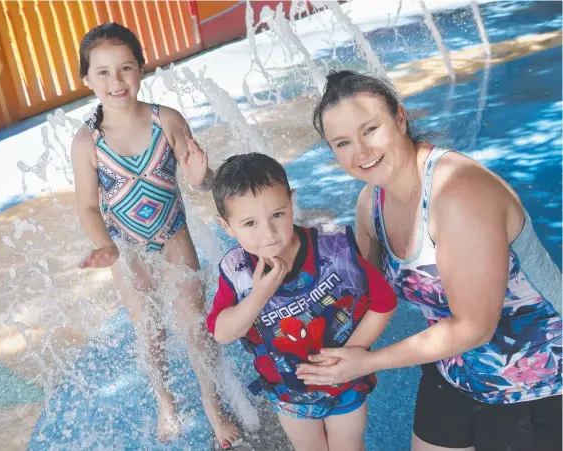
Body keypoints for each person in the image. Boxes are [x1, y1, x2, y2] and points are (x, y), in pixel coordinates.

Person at [296, 70, 562, 451]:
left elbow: (474, 327)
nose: (361, 152)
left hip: (538, 381)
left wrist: (366, 362)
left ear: (400, 118)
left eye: (370, 130)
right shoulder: (372, 202)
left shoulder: (457, 192)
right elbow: (361, 297)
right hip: (454, 368)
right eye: (342, 143)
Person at [71, 22, 238, 448]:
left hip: (172, 236)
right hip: (125, 248)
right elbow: (89, 206)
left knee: (195, 328)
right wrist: (104, 244)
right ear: (86, 78)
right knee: (149, 330)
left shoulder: (166, 119)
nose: (116, 80)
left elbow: (200, 178)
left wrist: (203, 178)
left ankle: (212, 406)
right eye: (103, 72)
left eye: (125, 68)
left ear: (141, 69)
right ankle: (166, 401)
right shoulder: (87, 141)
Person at [206, 153, 397, 451]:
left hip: (345, 384)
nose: (267, 232)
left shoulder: (332, 248)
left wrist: (350, 354)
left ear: (292, 202)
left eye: (277, 215)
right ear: (227, 226)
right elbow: (222, 332)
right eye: (249, 223)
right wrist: (258, 296)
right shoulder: (237, 272)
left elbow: (383, 301)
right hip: (290, 395)